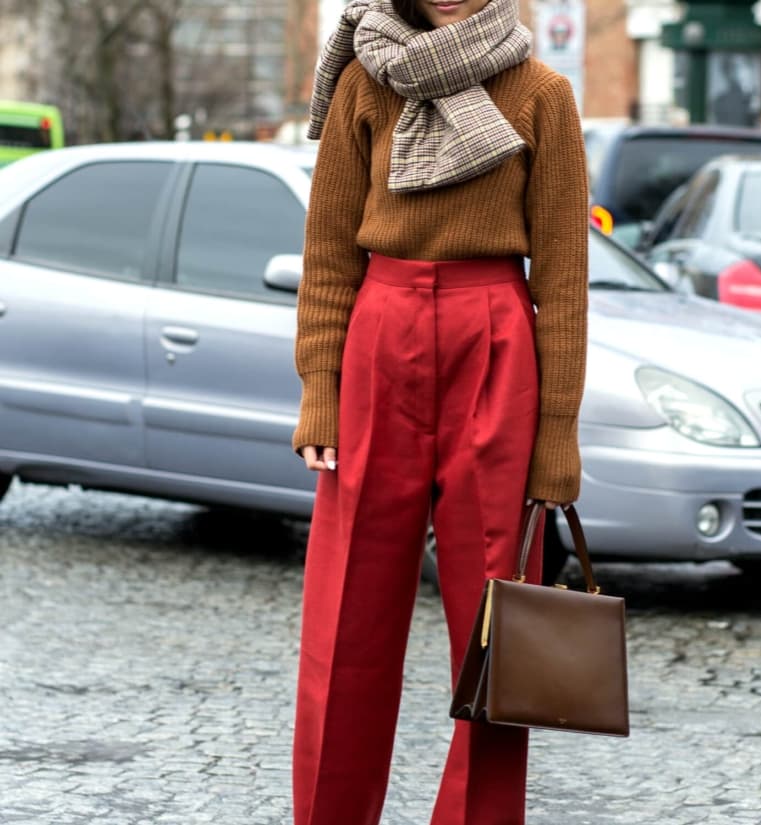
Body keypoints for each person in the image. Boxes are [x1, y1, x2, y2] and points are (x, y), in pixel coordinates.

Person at [291, 0, 588, 823]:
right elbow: (327, 253)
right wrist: (320, 390)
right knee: (344, 615)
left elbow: (561, 278)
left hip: (494, 342)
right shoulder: (363, 80)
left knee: (500, 634)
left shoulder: (541, 94)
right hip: (376, 338)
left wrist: (555, 435)